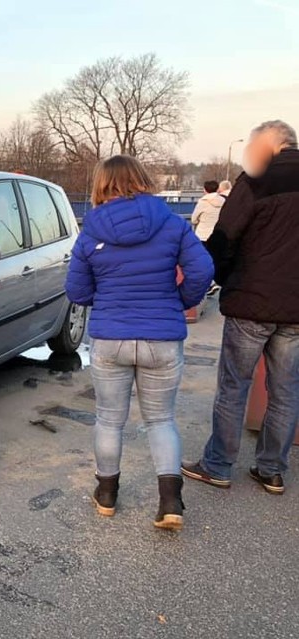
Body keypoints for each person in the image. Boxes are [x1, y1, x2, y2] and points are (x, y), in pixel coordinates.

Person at [66, 155, 214, 530]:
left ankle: (107, 496)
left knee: (109, 420)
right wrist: (180, 301)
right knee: (161, 419)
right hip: (162, 339)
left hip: (111, 339)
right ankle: (170, 503)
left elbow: (77, 292)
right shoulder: (170, 222)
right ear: (142, 180)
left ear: (102, 185)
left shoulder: (91, 231)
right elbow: (203, 269)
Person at [183, 120, 299, 495]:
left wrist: (224, 277)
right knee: (286, 390)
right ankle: (272, 470)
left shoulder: (256, 180)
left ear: (271, 145)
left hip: (250, 301)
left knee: (234, 387)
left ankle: (218, 465)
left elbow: (224, 236)